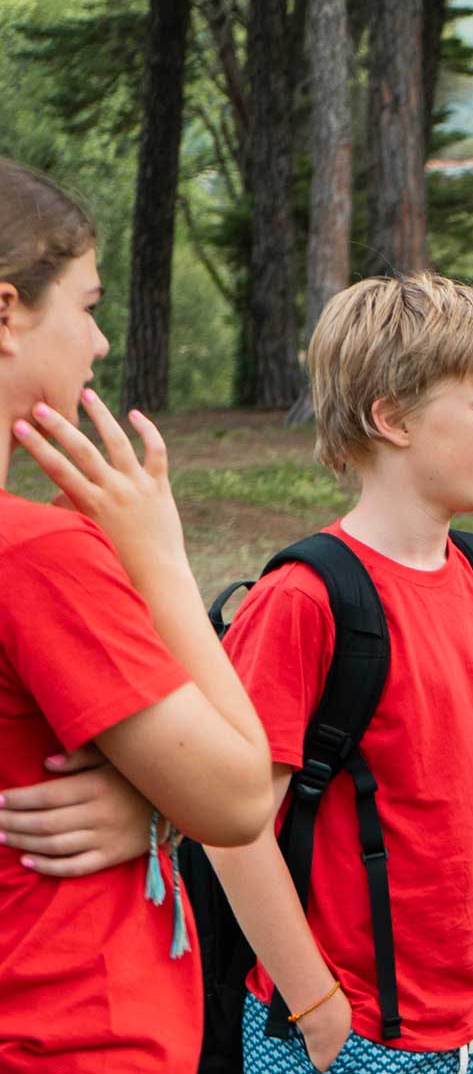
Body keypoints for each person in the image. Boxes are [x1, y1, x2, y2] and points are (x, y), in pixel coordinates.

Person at [207, 273, 473, 1072]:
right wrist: (318, 1008)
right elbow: (231, 828)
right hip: (342, 1034)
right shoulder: (302, 600)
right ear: (390, 417)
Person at [0, 157, 273, 1069]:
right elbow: (239, 795)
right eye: (86, 304)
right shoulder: (36, 554)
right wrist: (159, 559)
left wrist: (152, 808)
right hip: (72, 1022)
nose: (102, 342)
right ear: (6, 312)